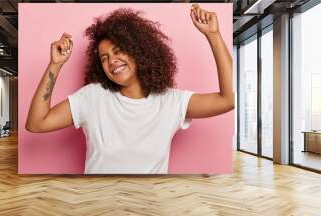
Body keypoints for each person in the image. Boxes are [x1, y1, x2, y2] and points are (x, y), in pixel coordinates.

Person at [25, 4, 234, 174]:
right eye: (104, 58)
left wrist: (213, 35)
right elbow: (36, 123)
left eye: (118, 51)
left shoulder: (171, 102)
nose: (112, 61)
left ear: (138, 51)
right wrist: (55, 64)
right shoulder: (93, 97)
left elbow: (228, 100)